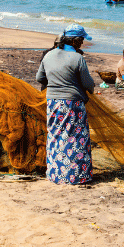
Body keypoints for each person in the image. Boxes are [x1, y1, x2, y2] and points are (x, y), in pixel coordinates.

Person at [35, 23, 96, 185]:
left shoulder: (48, 56)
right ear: (75, 41)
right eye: (81, 40)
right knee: (76, 138)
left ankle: (56, 174)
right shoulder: (77, 58)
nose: (83, 43)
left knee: (56, 136)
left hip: (53, 103)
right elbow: (88, 84)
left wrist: (56, 81)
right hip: (73, 105)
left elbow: (39, 78)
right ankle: (76, 176)